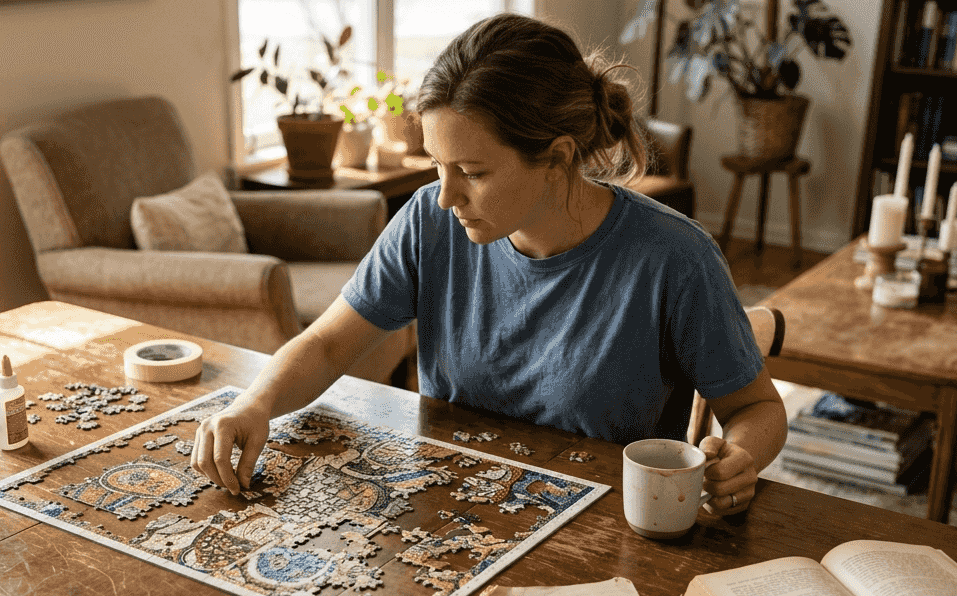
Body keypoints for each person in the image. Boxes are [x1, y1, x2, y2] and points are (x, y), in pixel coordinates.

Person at [194, 12, 787, 515]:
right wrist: (255, 402)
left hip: (602, 530)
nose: (445, 196)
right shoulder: (428, 221)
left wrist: (740, 457)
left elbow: (756, 408)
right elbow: (327, 345)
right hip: (445, 511)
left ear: (557, 158)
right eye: (437, 165)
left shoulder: (676, 258)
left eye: (472, 172)